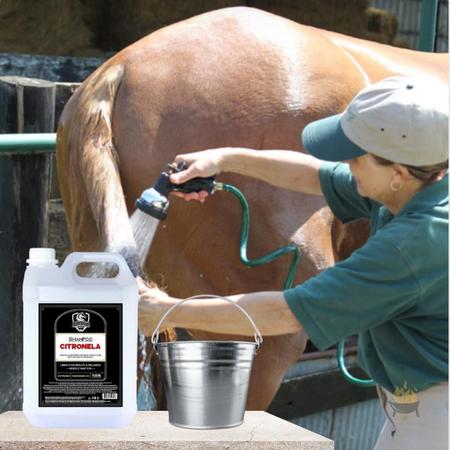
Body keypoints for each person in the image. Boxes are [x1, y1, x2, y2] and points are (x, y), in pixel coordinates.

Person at [138, 76, 448, 449]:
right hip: (418, 402)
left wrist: (169, 311)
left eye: (355, 155)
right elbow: (313, 173)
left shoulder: (415, 243)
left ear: (397, 173)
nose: (345, 162)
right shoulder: (420, 184)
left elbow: (287, 314)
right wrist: (225, 158)